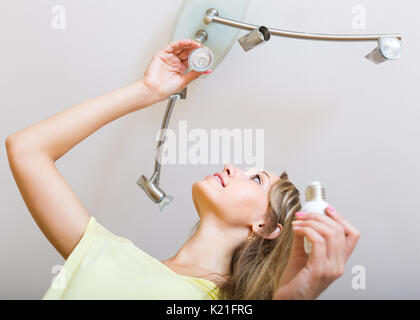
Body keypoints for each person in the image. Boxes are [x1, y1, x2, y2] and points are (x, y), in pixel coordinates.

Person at [6, 39, 360, 300]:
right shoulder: (103, 251)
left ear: (266, 226)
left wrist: (298, 294)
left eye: (255, 178)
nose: (230, 167)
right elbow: (26, 149)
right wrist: (147, 91)